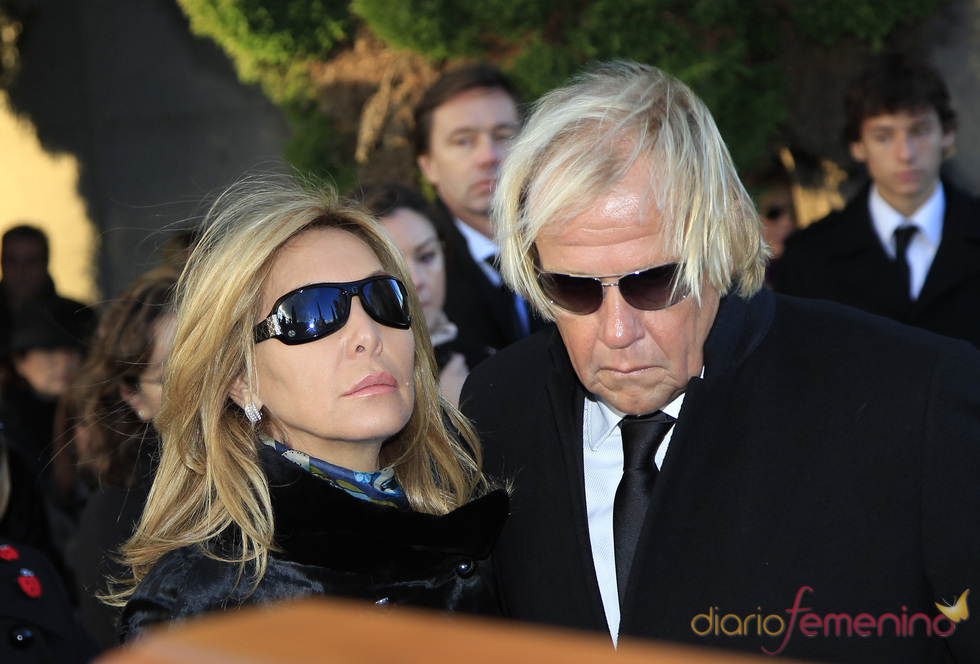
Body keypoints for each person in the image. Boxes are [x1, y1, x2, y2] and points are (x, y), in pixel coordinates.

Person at [461, 61, 980, 663]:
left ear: (721, 239)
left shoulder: (913, 399)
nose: (618, 330)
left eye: (653, 281)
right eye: (573, 288)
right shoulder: (500, 404)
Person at [110, 175, 507, 641]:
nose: (368, 335)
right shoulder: (206, 600)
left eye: (386, 299)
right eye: (311, 313)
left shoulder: (489, 517)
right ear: (240, 378)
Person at [775, 54, 980, 348]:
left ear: (946, 134)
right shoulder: (808, 260)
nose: (905, 153)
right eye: (884, 137)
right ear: (857, 145)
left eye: (920, 131)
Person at [69, 273, 176, 650]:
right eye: (171, 375)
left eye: (209, 359)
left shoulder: (286, 473)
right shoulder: (116, 518)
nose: (200, 384)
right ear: (134, 397)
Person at [414, 64, 541, 356]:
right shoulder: (419, 276)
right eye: (463, 141)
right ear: (428, 165)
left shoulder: (572, 240)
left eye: (503, 135)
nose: (488, 156)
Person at [358, 182, 489, 407]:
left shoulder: (488, 357)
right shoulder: (354, 379)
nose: (416, 281)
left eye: (426, 257)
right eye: (393, 266)